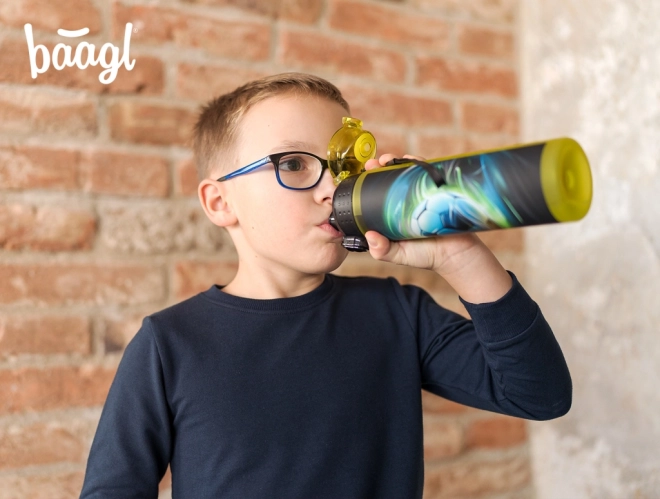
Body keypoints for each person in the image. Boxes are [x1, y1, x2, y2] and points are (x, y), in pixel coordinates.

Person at [79, 72, 571, 499]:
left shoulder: (397, 313)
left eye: (342, 167)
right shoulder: (169, 345)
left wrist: (459, 255)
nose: (332, 188)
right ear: (220, 202)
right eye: (294, 164)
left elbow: (540, 394)